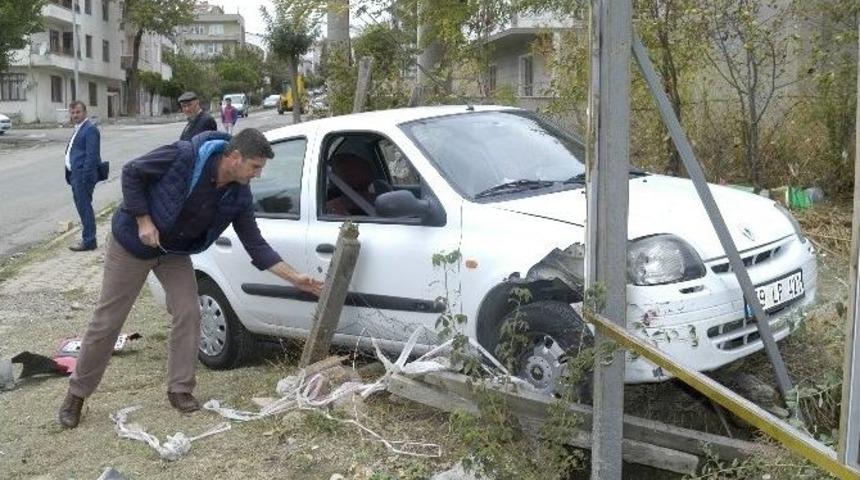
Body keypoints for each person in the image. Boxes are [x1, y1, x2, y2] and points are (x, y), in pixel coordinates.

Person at [58, 128, 323, 429]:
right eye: (255, 166)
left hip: (173, 252)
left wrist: (295, 278)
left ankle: (180, 388)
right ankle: (76, 395)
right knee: (108, 320)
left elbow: (256, 245)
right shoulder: (184, 156)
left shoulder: (238, 194)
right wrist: (143, 219)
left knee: (189, 311)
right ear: (235, 157)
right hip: (133, 244)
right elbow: (132, 172)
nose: (258, 174)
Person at [64, 101, 102, 251]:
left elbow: (92, 156)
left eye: (78, 112)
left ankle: (89, 240)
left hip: (82, 177)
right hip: (75, 175)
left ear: (85, 113)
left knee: (85, 208)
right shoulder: (79, 128)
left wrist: (85, 177)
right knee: (82, 207)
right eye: (72, 112)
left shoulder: (90, 129)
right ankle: (88, 239)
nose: (75, 115)